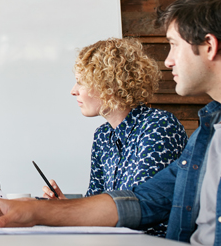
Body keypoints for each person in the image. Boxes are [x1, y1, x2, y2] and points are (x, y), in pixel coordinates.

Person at [0, 0, 221, 246]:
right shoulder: (212, 125)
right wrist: (35, 212)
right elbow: (145, 200)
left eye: (173, 45)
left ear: (209, 46)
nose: (168, 61)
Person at [41, 37, 186, 236]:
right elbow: (97, 201)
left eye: (80, 82)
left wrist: (76, 212)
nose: (73, 91)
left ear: (108, 84)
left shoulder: (158, 126)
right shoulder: (102, 136)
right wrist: (67, 206)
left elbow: (144, 210)